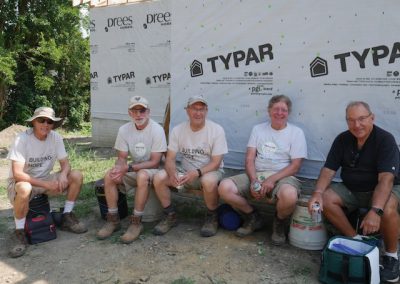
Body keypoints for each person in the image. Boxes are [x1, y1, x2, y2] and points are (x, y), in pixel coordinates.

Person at [308, 101, 400, 283]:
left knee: (387, 208)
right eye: (351, 120)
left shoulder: (385, 139)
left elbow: (386, 180)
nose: (356, 125)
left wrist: (375, 211)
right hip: (353, 189)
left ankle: (391, 256)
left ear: (372, 118)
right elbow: (328, 170)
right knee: (325, 198)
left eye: (361, 119)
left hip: (384, 189)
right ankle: (356, 241)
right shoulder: (342, 139)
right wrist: (317, 193)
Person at [218, 95, 307, 245]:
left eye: (283, 110)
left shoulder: (296, 133)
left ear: (288, 112)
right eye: (276, 109)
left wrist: (272, 179)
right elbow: (250, 159)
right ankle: (253, 216)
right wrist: (253, 180)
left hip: (282, 176)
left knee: (290, 195)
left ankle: (279, 222)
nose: (279, 113)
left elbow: (295, 165)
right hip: (257, 173)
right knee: (224, 187)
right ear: (269, 111)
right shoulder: (258, 129)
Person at [7, 107, 87, 258]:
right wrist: (47, 185)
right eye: (41, 120)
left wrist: (63, 174)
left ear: (53, 124)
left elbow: (65, 163)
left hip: (44, 180)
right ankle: (19, 232)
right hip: (21, 182)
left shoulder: (55, 137)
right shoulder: (22, 139)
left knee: (76, 175)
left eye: (49, 121)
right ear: (34, 122)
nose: (45, 124)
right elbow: (18, 174)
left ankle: (66, 216)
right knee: (24, 187)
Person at [152, 95, 228, 237]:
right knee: (159, 177)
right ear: (187, 110)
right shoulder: (178, 130)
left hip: (209, 172)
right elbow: (170, 159)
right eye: (194, 108)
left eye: (201, 109)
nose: (198, 113)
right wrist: (172, 172)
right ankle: (170, 215)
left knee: (208, 181)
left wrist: (197, 172)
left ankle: (212, 217)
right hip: (186, 173)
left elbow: (216, 162)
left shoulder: (216, 130)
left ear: (206, 111)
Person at [96, 96, 167, 243]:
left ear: (149, 112)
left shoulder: (157, 129)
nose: (138, 114)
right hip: (135, 168)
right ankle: (113, 219)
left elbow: (155, 162)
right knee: (109, 176)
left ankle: (136, 222)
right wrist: (118, 168)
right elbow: (121, 157)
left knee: (142, 175)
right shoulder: (124, 129)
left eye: (142, 110)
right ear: (129, 113)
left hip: (156, 170)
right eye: (135, 111)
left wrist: (127, 167)